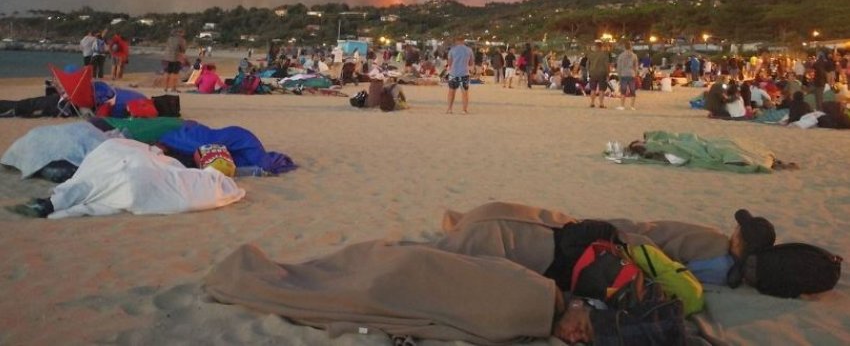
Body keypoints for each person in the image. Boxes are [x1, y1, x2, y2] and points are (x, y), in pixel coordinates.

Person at [203, 201, 778, 346]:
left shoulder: (536, 290)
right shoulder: (693, 270)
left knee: (413, 260)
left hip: (533, 248)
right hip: (537, 246)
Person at [445, 36, 474, 114]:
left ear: (456, 41)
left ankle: (449, 109)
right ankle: (464, 110)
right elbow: (471, 63)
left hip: (453, 73)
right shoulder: (469, 50)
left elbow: (449, 63)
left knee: (451, 91)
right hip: (464, 73)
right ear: (463, 41)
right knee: (465, 92)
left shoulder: (452, 50)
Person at [162, 28, 187, 94]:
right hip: (176, 58)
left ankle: (165, 87)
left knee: (166, 72)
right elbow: (183, 49)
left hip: (166, 57)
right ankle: (173, 88)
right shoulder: (181, 40)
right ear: (181, 33)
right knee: (174, 73)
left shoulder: (169, 39)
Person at [586, 41, 610, 108]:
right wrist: (608, 74)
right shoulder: (604, 54)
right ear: (601, 47)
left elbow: (587, 64)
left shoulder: (591, 54)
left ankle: (592, 103)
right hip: (602, 73)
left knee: (593, 89)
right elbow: (606, 65)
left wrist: (589, 71)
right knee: (601, 89)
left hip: (593, 73)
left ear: (595, 47)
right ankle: (601, 104)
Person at [616, 41, 639, 110]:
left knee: (623, 90)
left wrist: (619, 75)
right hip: (631, 74)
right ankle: (632, 106)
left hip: (623, 74)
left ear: (624, 47)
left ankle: (622, 105)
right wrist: (636, 73)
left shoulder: (621, 56)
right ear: (631, 47)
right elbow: (636, 66)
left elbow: (619, 67)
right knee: (632, 90)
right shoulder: (634, 55)